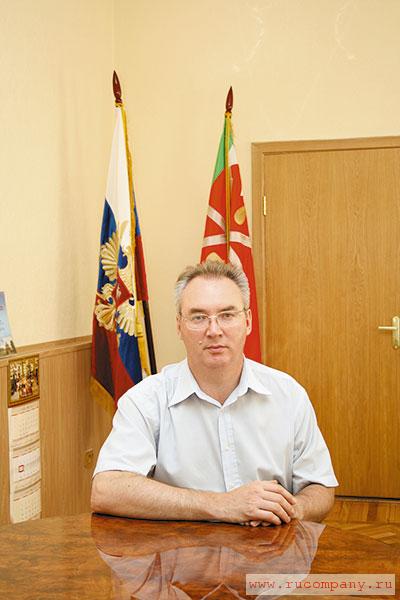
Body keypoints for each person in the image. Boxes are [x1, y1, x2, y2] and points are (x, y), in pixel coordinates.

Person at [91, 261, 338, 526]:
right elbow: (107, 490)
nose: (214, 331)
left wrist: (290, 510)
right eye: (198, 317)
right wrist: (221, 505)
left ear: (247, 321)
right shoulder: (145, 400)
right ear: (179, 326)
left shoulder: (288, 394)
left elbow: (320, 487)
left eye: (227, 315)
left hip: (271, 547)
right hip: (180, 549)